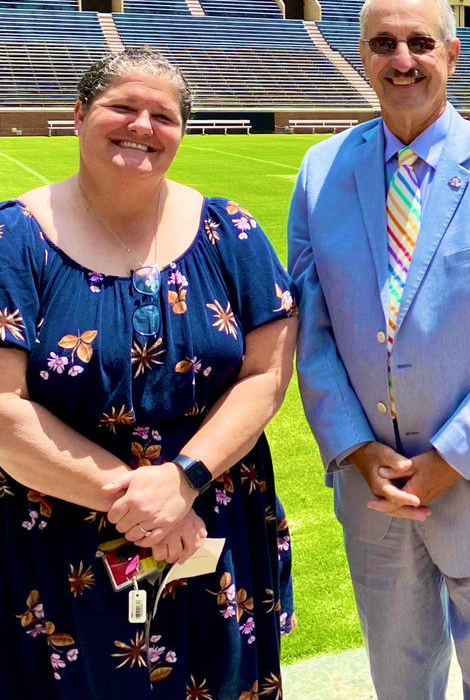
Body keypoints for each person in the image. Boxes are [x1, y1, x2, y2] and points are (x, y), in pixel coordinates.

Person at [288, 0, 470, 700]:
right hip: (373, 492)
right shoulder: (321, 172)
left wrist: (453, 455)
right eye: (383, 43)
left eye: (419, 43)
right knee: (401, 686)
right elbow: (310, 329)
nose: (402, 59)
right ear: (361, 56)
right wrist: (352, 446)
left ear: (453, 53)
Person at [0, 47, 297, 699]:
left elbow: (267, 373)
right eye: (122, 107)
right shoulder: (14, 240)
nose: (142, 125)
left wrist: (183, 480)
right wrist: (143, 503)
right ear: (78, 114)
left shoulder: (232, 233)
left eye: (162, 115)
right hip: (67, 536)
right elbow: (5, 412)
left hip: (211, 521)